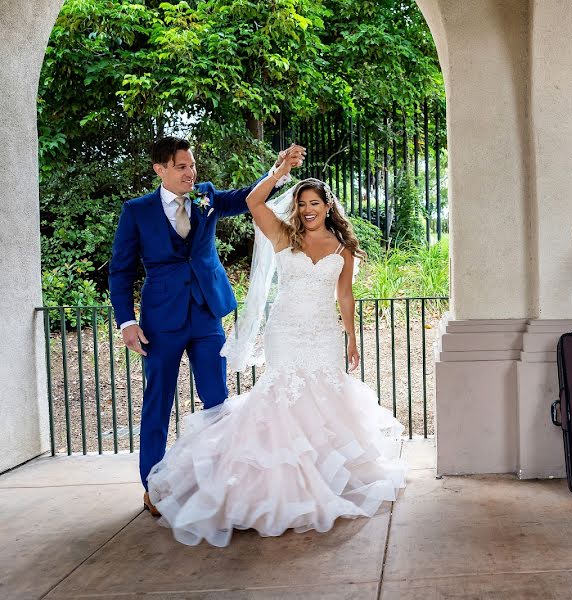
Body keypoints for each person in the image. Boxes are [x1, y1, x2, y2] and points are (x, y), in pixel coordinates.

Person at [145, 151, 406, 547]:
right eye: (301, 204)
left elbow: (346, 294)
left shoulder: (342, 247)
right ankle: (276, 483)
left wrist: (351, 336)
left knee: (323, 401)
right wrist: (281, 172)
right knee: (283, 398)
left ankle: (321, 477)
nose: (307, 210)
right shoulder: (285, 235)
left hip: (323, 332)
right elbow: (252, 202)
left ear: (328, 206)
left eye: (314, 204)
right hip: (285, 331)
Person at [109, 137, 302, 514]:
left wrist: (278, 172)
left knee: (217, 398)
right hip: (160, 320)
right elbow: (121, 270)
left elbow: (247, 197)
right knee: (158, 399)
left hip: (206, 313)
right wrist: (127, 322)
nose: (190, 172)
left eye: (192, 165)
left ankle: (221, 480)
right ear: (159, 169)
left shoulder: (207, 196)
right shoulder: (136, 211)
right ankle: (153, 486)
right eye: (181, 166)